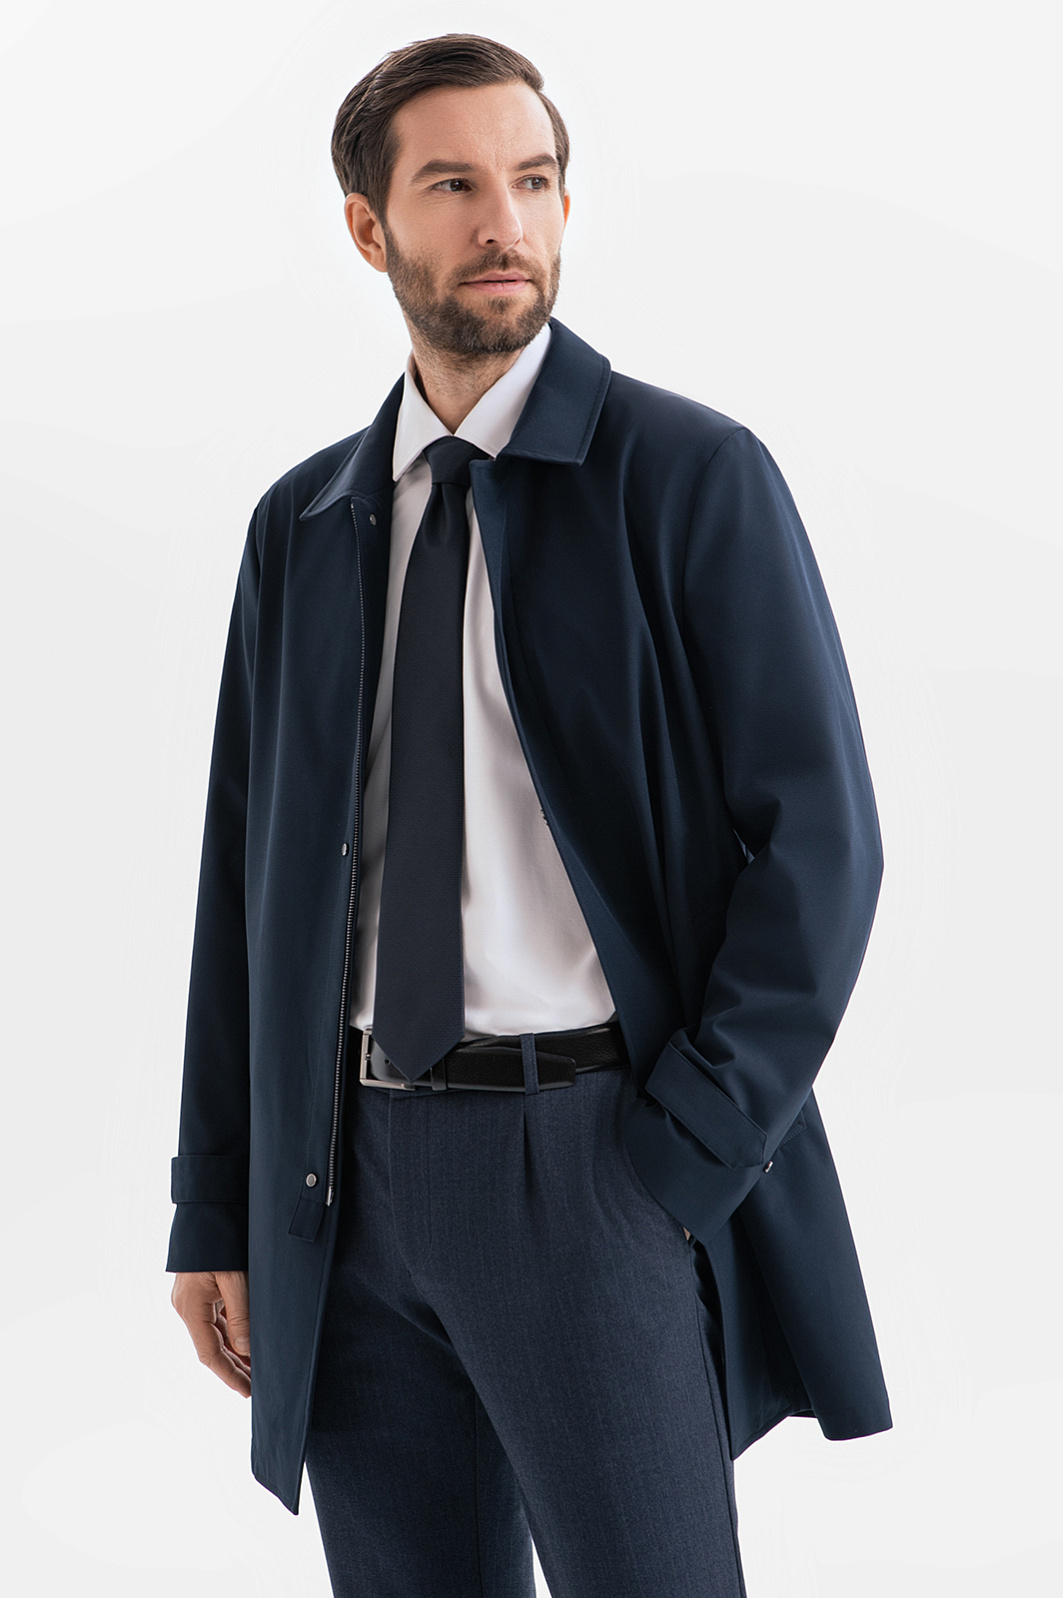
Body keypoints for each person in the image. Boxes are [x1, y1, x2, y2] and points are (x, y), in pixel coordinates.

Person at [167, 32, 891, 1598]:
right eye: (455, 185)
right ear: (369, 226)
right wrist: (214, 1197)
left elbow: (821, 848)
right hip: (344, 1179)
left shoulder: (687, 476)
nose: (507, 222)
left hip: (590, 1161)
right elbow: (246, 888)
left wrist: (680, 1153)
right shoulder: (303, 525)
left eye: (536, 179)